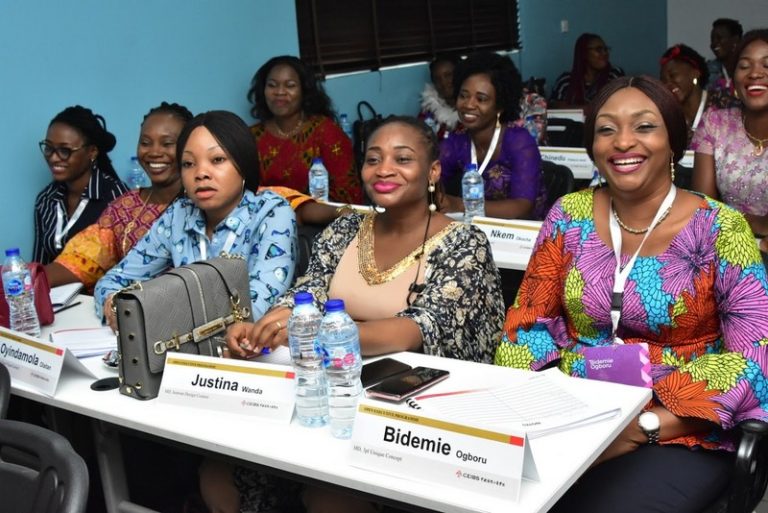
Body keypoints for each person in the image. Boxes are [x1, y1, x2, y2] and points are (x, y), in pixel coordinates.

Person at [496, 75, 768, 513]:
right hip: (571, 411)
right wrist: (549, 403)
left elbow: (755, 356)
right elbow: (526, 322)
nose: (623, 142)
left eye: (644, 126)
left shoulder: (721, 228)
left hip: (679, 428)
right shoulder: (568, 215)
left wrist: (643, 426)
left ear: (673, 141)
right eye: (606, 129)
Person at [207, 116, 504, 513]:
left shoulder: (464, 243)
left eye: (402, 159)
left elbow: (417, 329)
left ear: (433, 172)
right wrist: (262, 329)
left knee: (330, 498)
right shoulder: (345, 230)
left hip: (407, 416)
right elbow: (306, 293)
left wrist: (309, 332)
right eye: (373, 159)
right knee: (218, 473)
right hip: (326, 392)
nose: (384, 170)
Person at [94, 110, 297, 327]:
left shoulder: (272, 213)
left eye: (217, 159)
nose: (201, 173)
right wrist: (115, 305)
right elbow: (113, 281)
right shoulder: (179, 214)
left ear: (243, 164)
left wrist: (151, 312)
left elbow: (252, 311)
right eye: (189, 163)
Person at [44, 102, 193, 290]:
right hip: (125, 306)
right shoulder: (124, 206)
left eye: (167, 143)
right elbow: (82, 258)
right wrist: (29, 277)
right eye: (145, 143)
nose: (154, 152)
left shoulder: (200, 205)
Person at [438, 51, 545, 220]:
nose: (468, 105)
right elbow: (429, 180)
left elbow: (522, 207)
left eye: (481, 99)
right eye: (463, 96)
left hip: (522, 231)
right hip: (475, 229)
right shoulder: (457, 141)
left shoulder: (519, 142)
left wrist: (458, 204)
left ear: (500, 105)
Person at [248, 55, 362, 204]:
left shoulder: (325, 131)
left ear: (304, 91)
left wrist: (302, 209)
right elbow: (245, 194)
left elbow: (349, 194)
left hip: (321, 216)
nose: (280, 92)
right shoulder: (252, 137)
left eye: (290, 85)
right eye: (272, 85)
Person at [691, 29, 768, 247]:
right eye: (744, 66)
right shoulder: (714, 123)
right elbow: (703, 207)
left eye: (766, 65)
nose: (755, 73)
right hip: (726, 247)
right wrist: (753, 225)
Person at [33, 106, 128, 264]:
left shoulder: (117, 197)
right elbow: (40, 265)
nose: (53, 158)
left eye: (65, 150)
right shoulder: (46, 199)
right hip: (51, 280)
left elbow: (131, 264)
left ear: (92, 152)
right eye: (49, 148)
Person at [550, 33, 625, 109]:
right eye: (598, 49)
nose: (605, 53)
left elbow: (622, 103)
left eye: (605, 49)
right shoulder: (566, 81)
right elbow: (556, 106)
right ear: (584, 53)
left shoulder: (614, 75)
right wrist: (587, 110)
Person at [660, 44, 713, 143]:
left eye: (673, 75)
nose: (667, 84)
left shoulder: (722, 104)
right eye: (663, 80)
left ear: (695, 73)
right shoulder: (667, 116)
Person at [418, 54, 462, 139]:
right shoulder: (428, 112)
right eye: (437, 78)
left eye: (448, 75)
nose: (443, 82)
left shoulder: (474, 109)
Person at [707, 18, 743, 101]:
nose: (714, 43)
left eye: (719, 38)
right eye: (712, 39)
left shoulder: (748, 69)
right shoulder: (708, 71)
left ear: (735, 40)